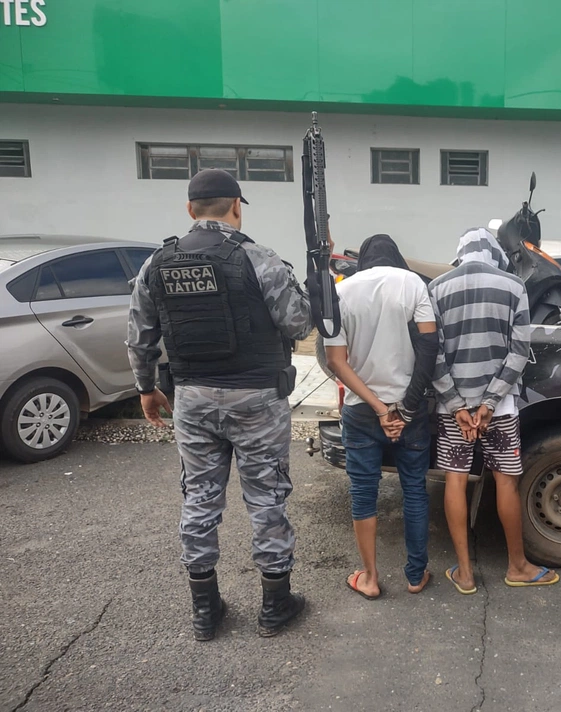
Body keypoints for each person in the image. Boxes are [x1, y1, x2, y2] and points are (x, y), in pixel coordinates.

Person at [127, 168, 311, 641]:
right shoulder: (258, 258)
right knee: (266, 496)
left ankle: (205, 610)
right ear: (236, 207)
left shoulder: (156, 263)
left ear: (190, 210)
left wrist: (147, 389)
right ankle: (274, 605)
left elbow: (140, 337)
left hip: (192, 399)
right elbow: (297, 324)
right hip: (256, 398)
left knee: (200, 498)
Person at [429, 227, 559, 594]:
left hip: (454, 409)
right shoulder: (513, 286)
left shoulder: (437, 288)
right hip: (499, 408)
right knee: (506, 481)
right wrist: (489, 403)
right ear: (494, 254)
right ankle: (517, 566)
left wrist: (458, 406)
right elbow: (519, 351)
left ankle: (466, 574)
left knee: (455, 480)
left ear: (461, 252)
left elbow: (433, 353)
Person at [324, 234, 438, 599]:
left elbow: (335, 362)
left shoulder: (342, 292)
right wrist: (404, 408)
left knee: (363, 492)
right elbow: (429, 348)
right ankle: (416, 575)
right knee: (415, 491)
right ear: (397, 258)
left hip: (361, 411)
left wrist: (378, 407)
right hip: (412, 411)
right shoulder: (414, 284)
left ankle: (370, 578)